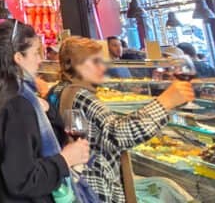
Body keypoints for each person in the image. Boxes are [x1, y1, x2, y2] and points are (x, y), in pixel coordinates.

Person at [52, 37, 194, 203]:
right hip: (98, 189)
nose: (102, 67)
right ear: (76, 65)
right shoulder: (82, 96)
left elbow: (80, 137)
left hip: (86, 186)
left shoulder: (64, 90)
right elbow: (118, 133)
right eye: (95, 61)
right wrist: (166, 102)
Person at [0, 22, 89, 203]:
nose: (40, 59)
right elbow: (21, 179)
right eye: (35, 52)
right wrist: (65, 159)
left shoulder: (10, 95)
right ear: (18, 57)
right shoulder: (18, 105)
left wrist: (47, 111)